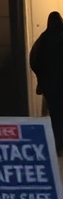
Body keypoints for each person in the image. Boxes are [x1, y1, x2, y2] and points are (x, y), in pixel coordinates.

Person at [30, 11, 63, 155]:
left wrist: (41, 77)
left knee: (55, 115)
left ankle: (57, 145)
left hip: (50, 86)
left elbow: (34, 60)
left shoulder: (43, 39)